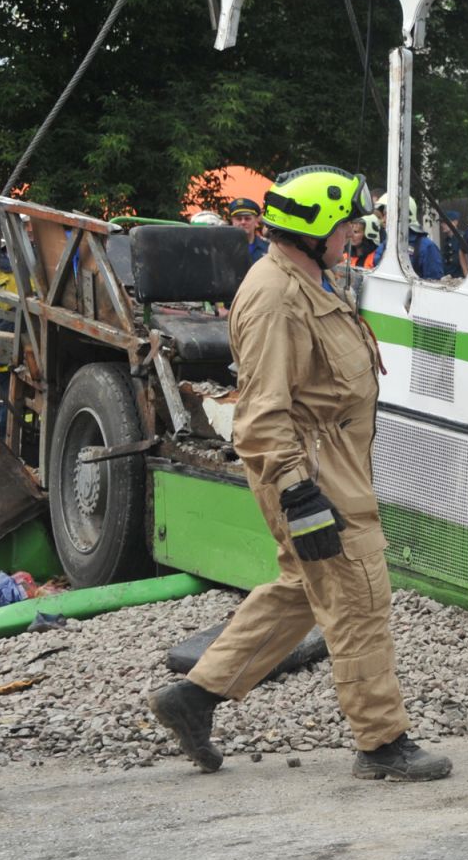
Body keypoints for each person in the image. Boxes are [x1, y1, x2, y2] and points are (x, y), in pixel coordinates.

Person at [150, 165, 451, 783]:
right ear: (315, 227)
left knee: (303, 592)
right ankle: (382, 743)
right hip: (313, 476)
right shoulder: (276, 296)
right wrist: (300, 494)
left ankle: (195, 698)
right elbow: (261, 414)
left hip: (330, 466)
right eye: (346, 223)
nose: (355, 232)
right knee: (360, 601)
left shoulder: (307, 279)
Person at [226, 196, 269, 263]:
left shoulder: (268, 248)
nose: (243, 222)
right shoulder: (223, 248)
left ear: (256, 221)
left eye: (247, 218)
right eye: (239, 219)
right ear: (232, 221)